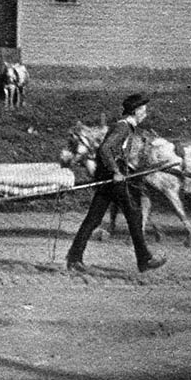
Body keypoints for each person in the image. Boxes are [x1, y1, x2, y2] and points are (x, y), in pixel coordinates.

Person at [65, 93, 166, 274]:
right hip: (113, 180)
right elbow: (105, 149)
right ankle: (144, 260)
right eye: (143, 110)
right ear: (135, 111)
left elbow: (112, 151)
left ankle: (74, 258)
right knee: (133, 215)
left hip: (109, 179)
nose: (145, 113)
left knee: (94, 218)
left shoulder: (125, 127)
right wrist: (116, 171)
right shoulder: (123, 127)